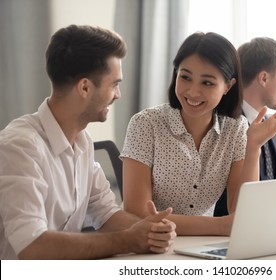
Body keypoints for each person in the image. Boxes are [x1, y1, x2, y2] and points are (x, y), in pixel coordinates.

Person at [0, 25, 176, 260]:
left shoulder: (82, 142)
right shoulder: (20, 147)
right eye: (114, 84)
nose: (118, 94)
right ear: (84, 87)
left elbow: (106, 214)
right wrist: (127, 240)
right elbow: (32, 246)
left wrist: (151, 230)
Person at [120, 32, 276, 236]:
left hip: (204, 246)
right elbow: (138, 213)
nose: (192, 92)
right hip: (150, 243)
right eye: (185, 77)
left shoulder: (236, 129)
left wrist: (253, 147)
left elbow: (240, 212)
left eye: (207, 83)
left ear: (228, 86)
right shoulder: (146, 124)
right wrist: (222, 226)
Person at [214, 37, 276, 216]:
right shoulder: (226, 123)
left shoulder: (262, 120)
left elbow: (273, 182)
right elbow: (224, 204)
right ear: (264, 78)